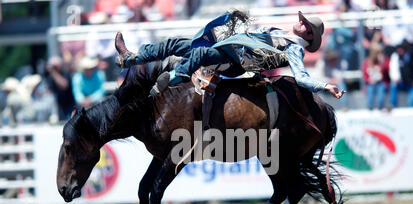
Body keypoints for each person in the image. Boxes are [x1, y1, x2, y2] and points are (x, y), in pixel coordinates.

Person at [115, 10, 345, 99]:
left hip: (234, 63)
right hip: (227, 48)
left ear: (309, 37)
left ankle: (173, 78)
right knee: (176, 43)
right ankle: (131, 58)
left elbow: (302, 77)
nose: (301, 23)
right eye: (303, 21)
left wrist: (325, 86)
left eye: (306, 25)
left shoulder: (295, 49)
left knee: (200, 53)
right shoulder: (280, 34)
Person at [45, 56, 76, 121]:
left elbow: (64, 85)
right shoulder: (50, 77)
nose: (54, 68)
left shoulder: (65, 73)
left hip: (69, 105)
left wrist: (54, 72)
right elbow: (50, 91)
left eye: (55, 66)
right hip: (59, 106)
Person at [362, 43, 390, 110]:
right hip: (370, 83)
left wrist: (382, 62)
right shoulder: (367, 62)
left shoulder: (384, 61)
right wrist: (369, 80)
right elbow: (364, 74)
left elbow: (387, 71)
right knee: (370, 89)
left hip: (381, 82)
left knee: (381, 88)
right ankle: (370, 108)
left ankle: (381, 107)